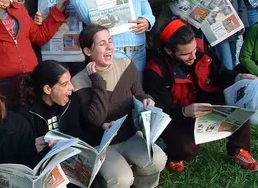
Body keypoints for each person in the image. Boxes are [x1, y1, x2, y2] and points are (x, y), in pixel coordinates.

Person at [144, 19, 258, 172]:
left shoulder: (201, 48)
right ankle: (175, 155)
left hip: (205, 102)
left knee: (240, 106)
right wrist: (185, 112)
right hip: (178, 114)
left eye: (194, 50)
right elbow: (161, 111)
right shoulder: (155, 70)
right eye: (185, 54)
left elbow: (220, 73)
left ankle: (239, 150)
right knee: (186, 150)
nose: (193, 56)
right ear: (169, 51)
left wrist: (238, 77)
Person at [72, 24, 167, 188]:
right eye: (102, 44)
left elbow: (138, 92)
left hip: (129, 135)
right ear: (88, 51)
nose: (109, 47)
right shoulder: (78, 81)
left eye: (110, 41)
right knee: (122, 179)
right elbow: (96, 118)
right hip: (100, 145)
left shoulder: (125, 64)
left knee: (157, 159)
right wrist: (96, 80)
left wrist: (146, 99)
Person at [14, 60, 82, 153]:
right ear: (48, 89)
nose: (72, 87)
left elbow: (76, 133)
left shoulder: (71, 101)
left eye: (70, 81)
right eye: (65, 84)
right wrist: (34, 148)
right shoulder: (26, 115)